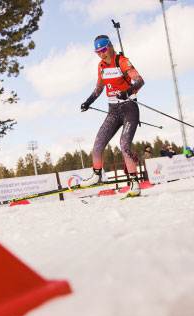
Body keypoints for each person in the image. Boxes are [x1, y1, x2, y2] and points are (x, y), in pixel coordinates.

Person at [79, 35, 144, 197]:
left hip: (129, 108)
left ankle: (134, 183)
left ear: (109, 47)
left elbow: (139, 81)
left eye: (103, 50)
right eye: (97, 52)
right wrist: (88, 101)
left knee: (124, 145)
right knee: (98, 143)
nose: (101, 54)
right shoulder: (101, 66)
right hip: (113, 111)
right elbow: (99, 88)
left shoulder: (121, 61)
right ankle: (97, 175)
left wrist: (127, 92)